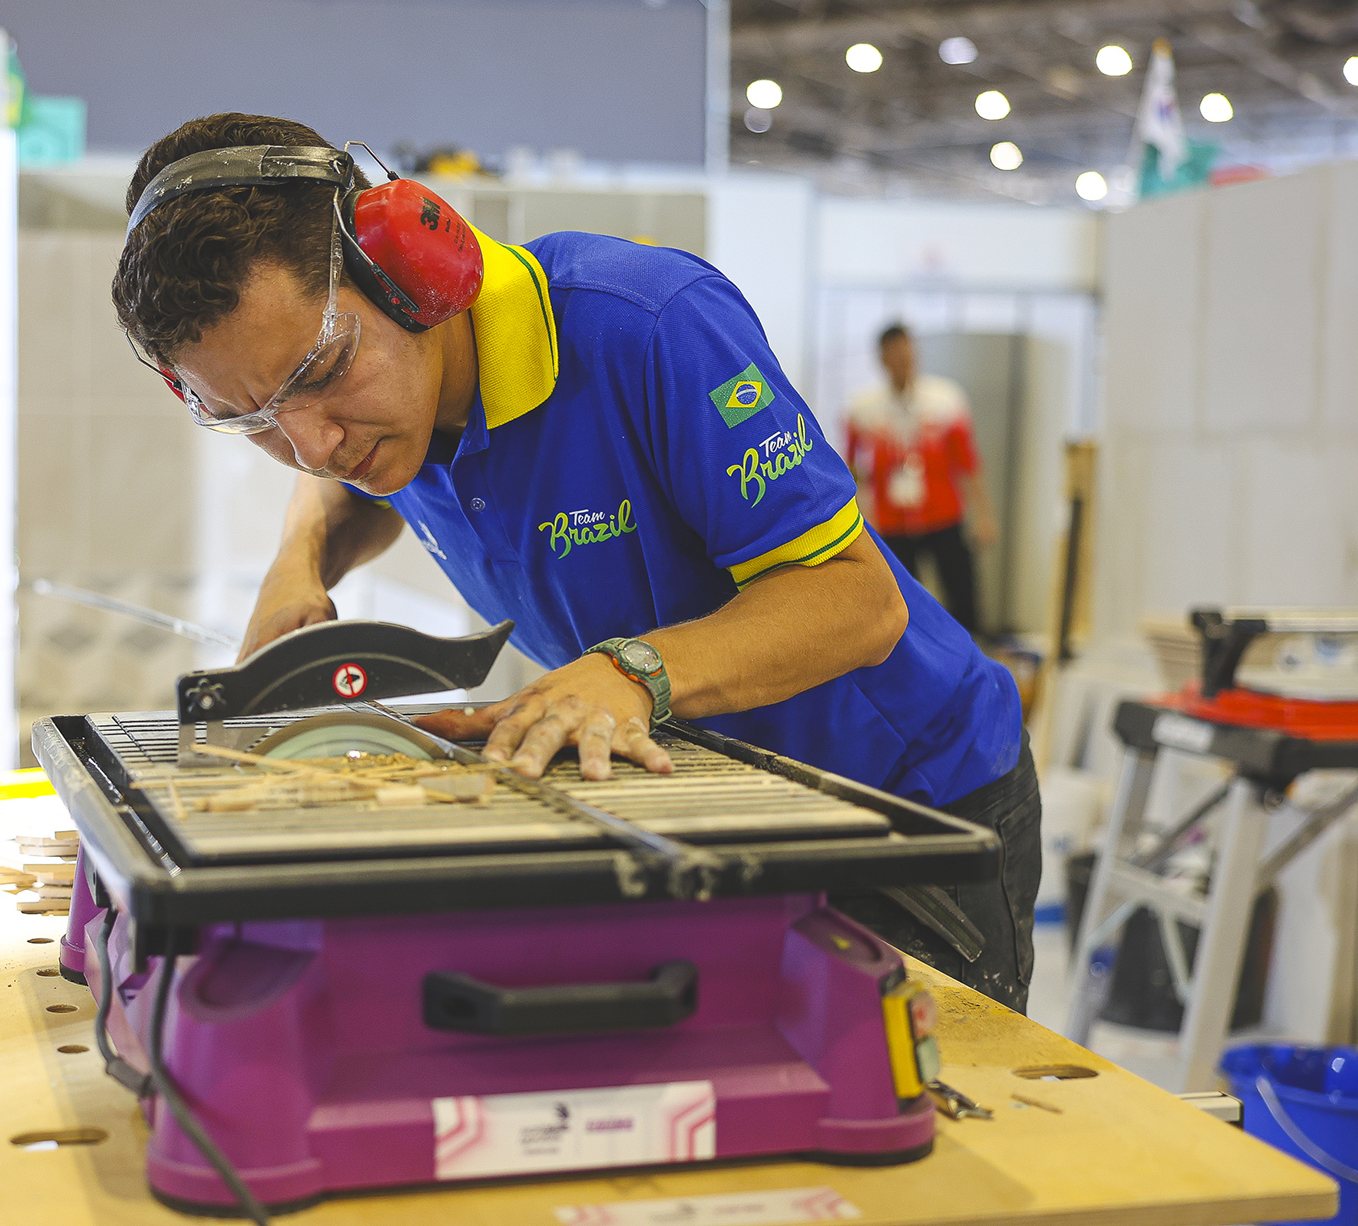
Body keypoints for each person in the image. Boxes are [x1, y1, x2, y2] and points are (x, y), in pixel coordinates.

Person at [110, 114, 1039, 1011]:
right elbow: (344, 487)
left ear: (409, 273)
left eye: (319, 372)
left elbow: (857, 606)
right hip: (714, 804)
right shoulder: (379, 419)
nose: (311, 444)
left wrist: (631, 671)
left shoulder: (646, 327)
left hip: (906, 807)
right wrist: (299, 562)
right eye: (254, 418)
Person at [844, 323, 998, 636]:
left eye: (908, 353)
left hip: (943, 516)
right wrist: (858, 517)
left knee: (963, 594)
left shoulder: (946, 401)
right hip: (892, 522)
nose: (903, 361)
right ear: (882, 358)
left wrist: (984, 516)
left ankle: (972, 655)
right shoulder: (862, 410)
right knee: (901, 604)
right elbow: (849, 468)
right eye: (895, 355)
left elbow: (968, 463)